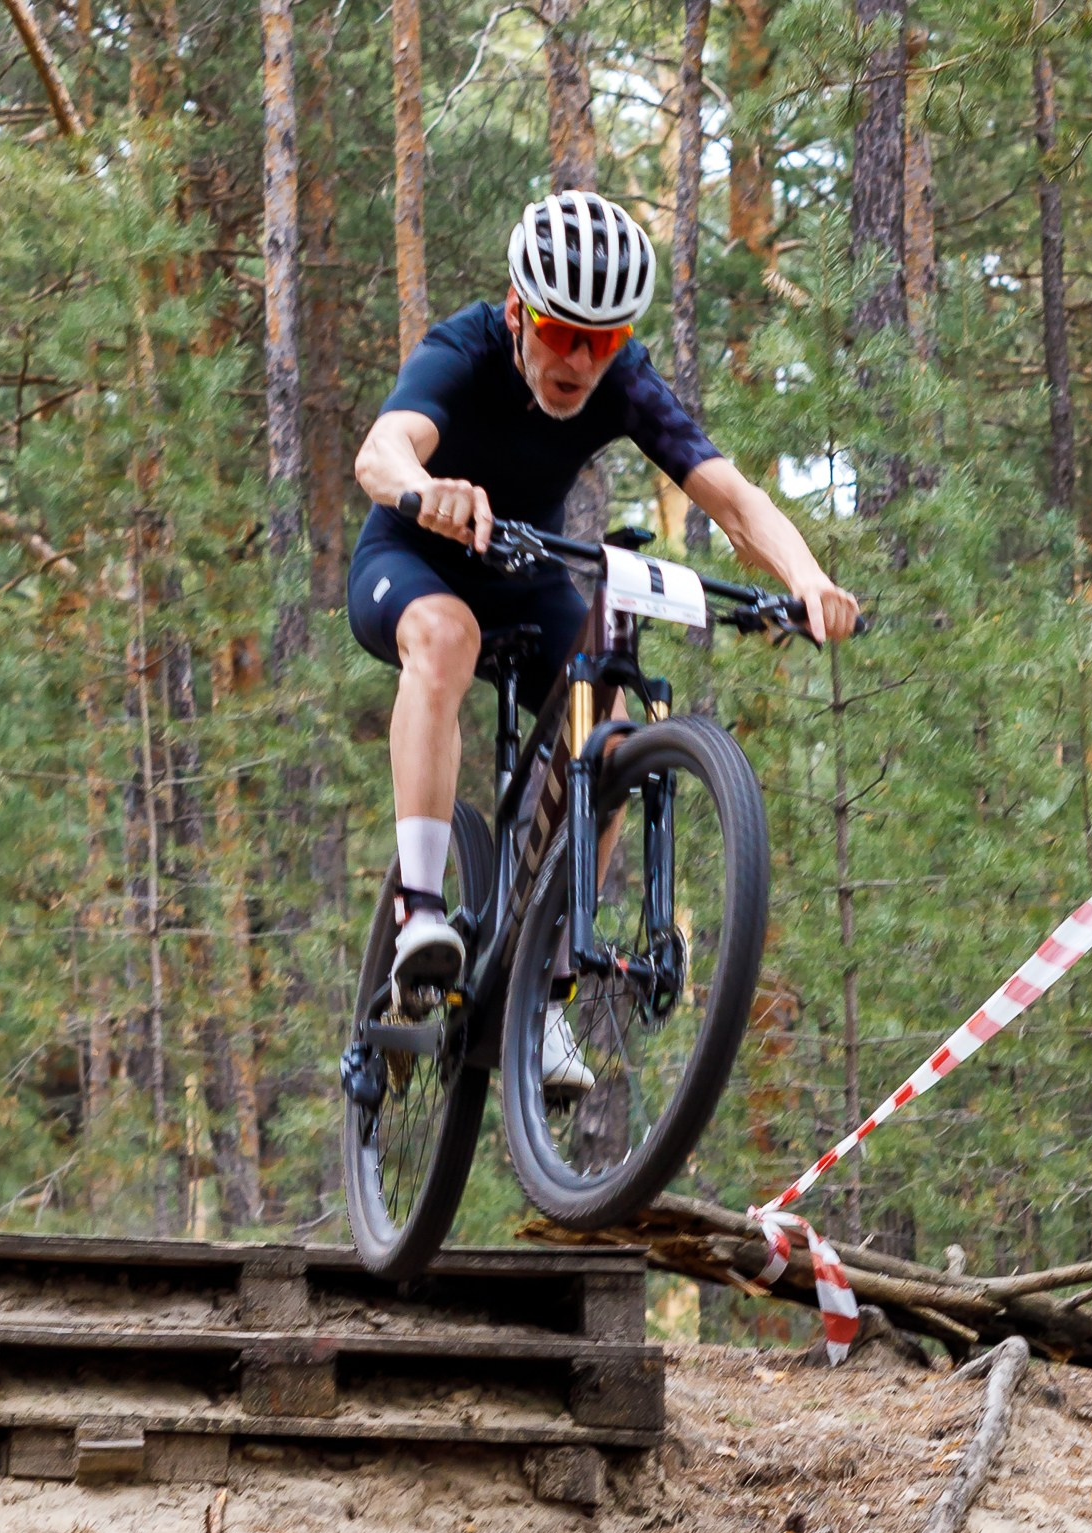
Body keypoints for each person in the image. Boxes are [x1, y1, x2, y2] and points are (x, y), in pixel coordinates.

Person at [349, 190, 859, 1087]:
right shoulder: (463, 349)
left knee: (607, 726)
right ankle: (422, 911)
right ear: (518, 313)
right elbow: (381, 450)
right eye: (561, 331)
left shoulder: (620, 380)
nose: (581, 359)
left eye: (606, 339)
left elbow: (733, 500)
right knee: (445, 633)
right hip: (415, 558)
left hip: (525, 567)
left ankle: (541, 996)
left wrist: (807, 578)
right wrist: (424, 489)